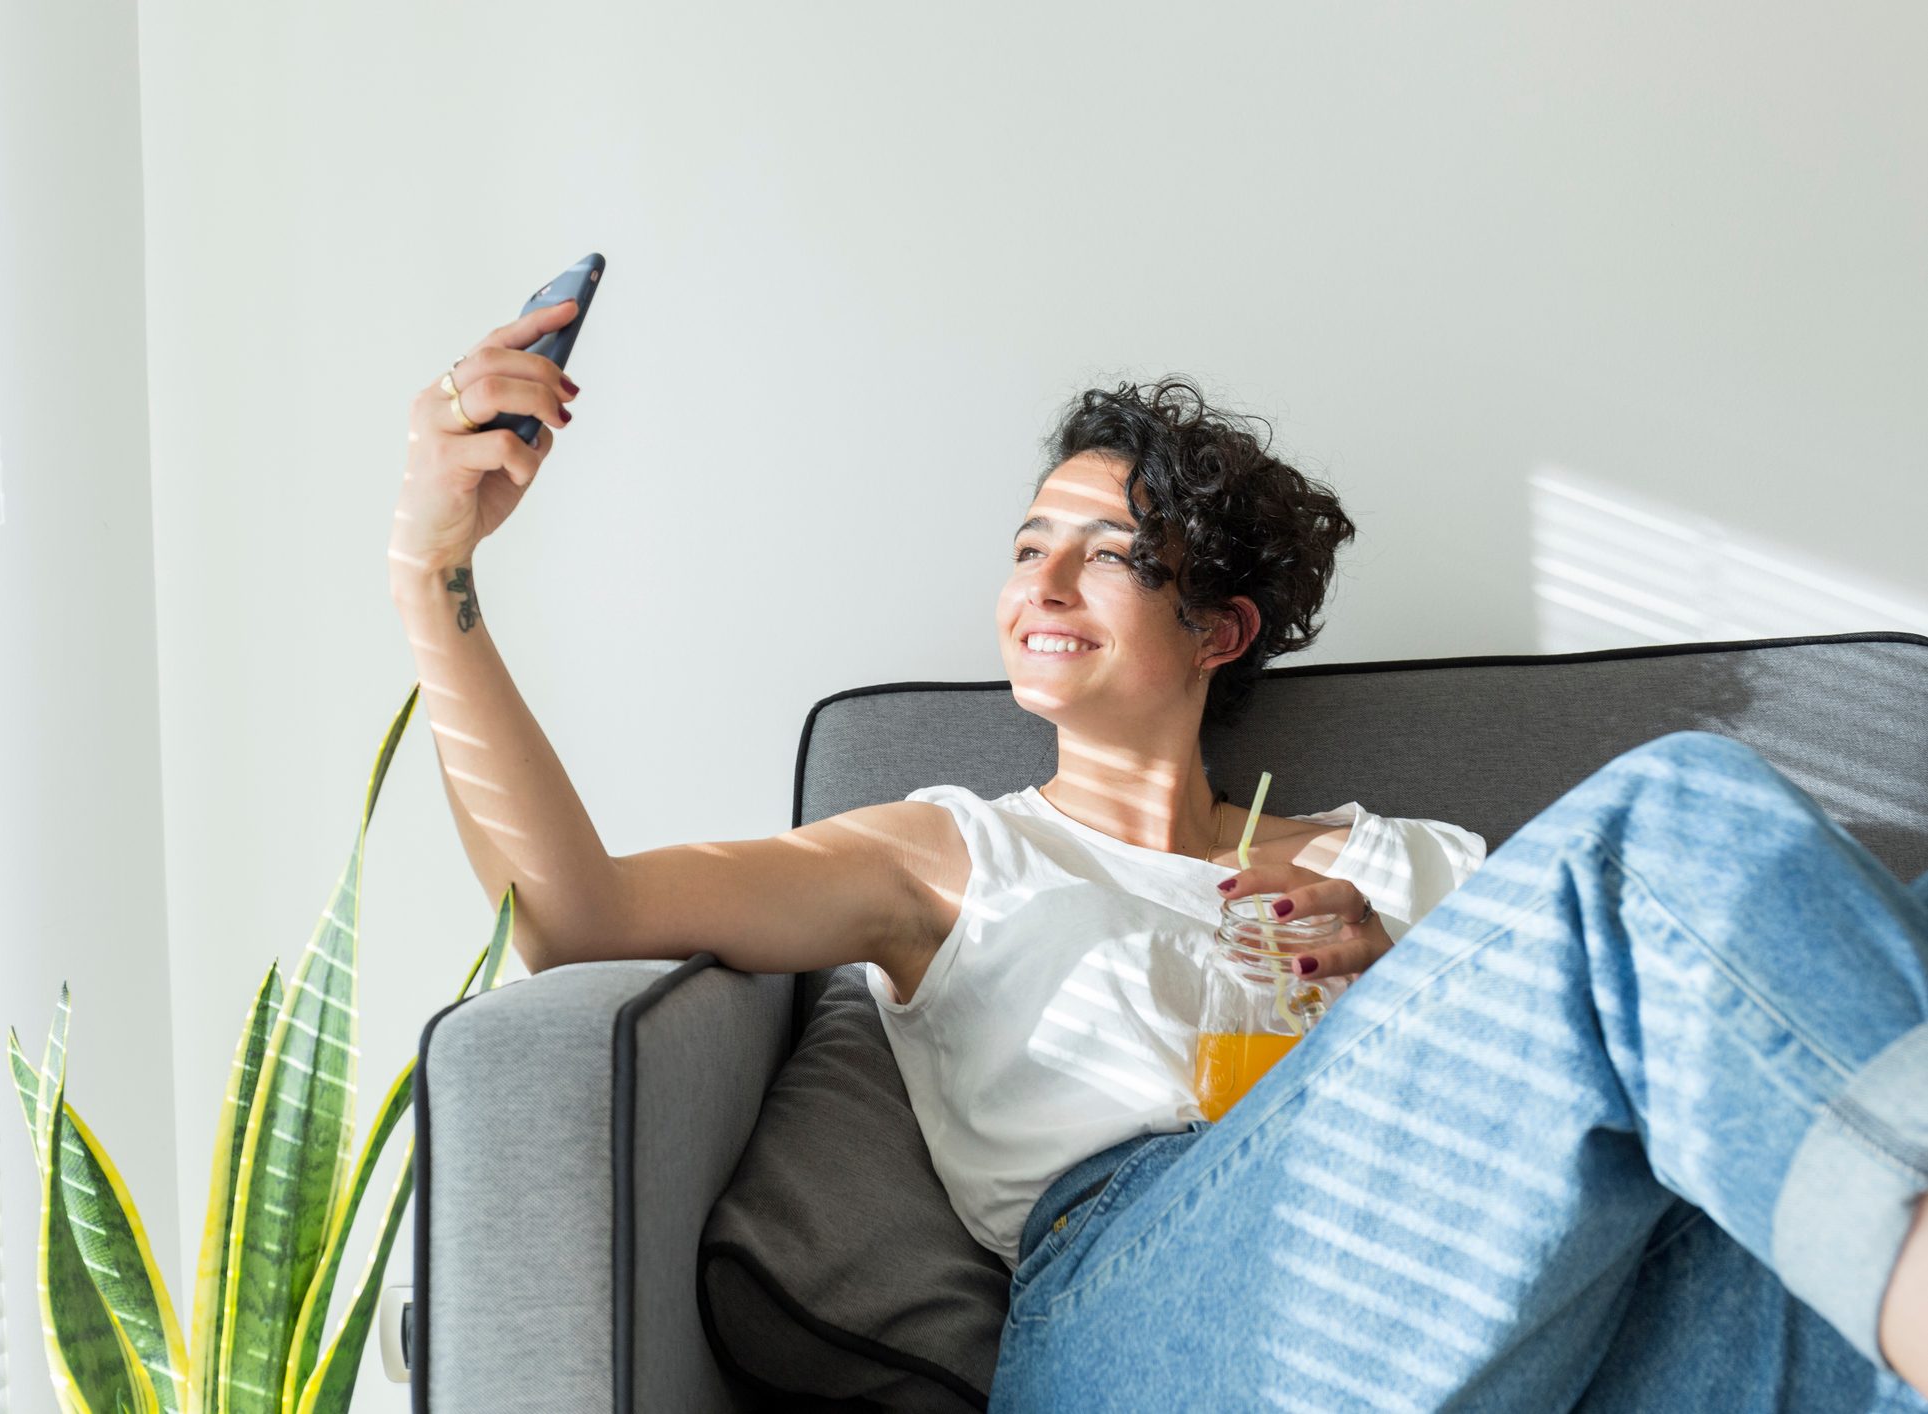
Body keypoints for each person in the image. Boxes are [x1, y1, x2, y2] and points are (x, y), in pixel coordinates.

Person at [388, 301, 1928, 1409]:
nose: (1040, 579)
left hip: (1493, 1324)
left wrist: (1408, 985)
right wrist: (434, 568)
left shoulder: (1413, 862)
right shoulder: (950, 853)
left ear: (1217, 628)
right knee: (1673, 814)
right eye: (1024, 546)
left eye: (1110, 554)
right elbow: (575, 916)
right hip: (1146, 1323)